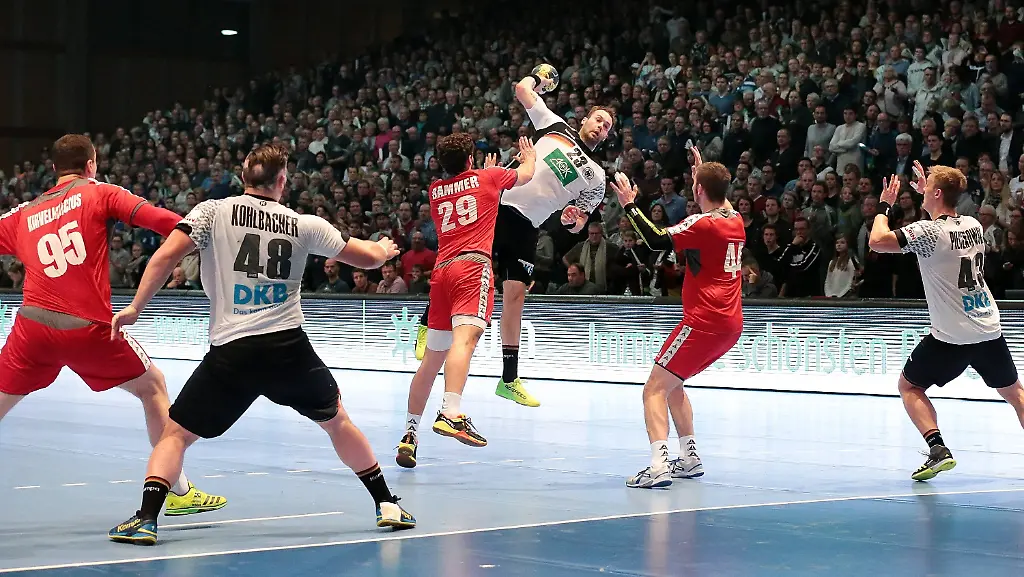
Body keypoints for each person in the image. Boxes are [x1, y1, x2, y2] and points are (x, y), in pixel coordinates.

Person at [106, 143, 414, 545]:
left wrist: (134, 307)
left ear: (242, 176)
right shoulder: (304, 224)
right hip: (289, 350)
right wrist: (384, 249)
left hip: (232, 353)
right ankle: (386, 503)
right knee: (337, 421)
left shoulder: (212, 213)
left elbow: (164, 258)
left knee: (175, 435)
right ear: (282, 181)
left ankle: (146, 519)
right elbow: (369, 258)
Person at [0, 134, 225, 516]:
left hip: (32, 328)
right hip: (86, 328)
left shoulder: (23, 213)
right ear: (91, 164)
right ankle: (179, 491)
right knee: (152, 386)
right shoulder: (99, 192)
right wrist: (212, 238)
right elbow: (160, 220)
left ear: (53, 169)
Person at [414, 63, 614, 409]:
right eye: (598, 119)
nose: (601, 127)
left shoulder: (596, 177)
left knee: (515, 297)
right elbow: (522, 90)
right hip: (499, 203)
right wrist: (540, 78)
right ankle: (425, 325)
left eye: (607, 126)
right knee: (462, 263)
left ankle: (509, 379)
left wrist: (572, 220)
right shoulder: (556, 126)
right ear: (584, 120)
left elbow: (579, 223)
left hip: (528, 225)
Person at [868, 161, 1024, 481]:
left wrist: (885, 205)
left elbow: (877, 241)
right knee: (1015, 393)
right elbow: (943, 231)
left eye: (927, 188)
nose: (922, 190)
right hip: (988, 327)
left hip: (952, 335)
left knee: (909, 386)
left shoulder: (928, 232)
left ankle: (937, 448)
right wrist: (929, 195)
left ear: (937, 193)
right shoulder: (973, 224)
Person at [396, 133, 537, 467]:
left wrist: (486, 173)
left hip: (441, 273)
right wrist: (528, 156)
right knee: (465, 341)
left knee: (431, 361)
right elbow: (527, 174)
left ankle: (409, 435)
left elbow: (469, 187)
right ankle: (451, 412)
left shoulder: (435, 191)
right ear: (471, 159)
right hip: (472, 269)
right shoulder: (489, 177)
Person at [611, 150, 746, 488]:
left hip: (703, 321)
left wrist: (629, 204)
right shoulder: (736, 218)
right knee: (674, 383)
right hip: (730, 324)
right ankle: (689, 457)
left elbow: (656, 239)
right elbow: (716, 193)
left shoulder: (703, 224)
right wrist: (701, 172)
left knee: (653, 389)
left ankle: (658, 465)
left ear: (698, 189)